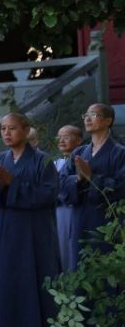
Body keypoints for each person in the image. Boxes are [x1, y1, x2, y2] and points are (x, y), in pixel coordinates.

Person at [0, 112, 65, 327]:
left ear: (26, 131)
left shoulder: (42, 161)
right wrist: (0, 185)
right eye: (3, 129)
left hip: (34, 231)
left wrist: (12, 185)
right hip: (5, 229)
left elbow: (48, 194)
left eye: (12, 128)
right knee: (8, 281)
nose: (6, 133)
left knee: (37, 279)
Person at [59, 103, 124, 260]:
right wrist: (78, 179)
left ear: (108, 121)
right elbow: (61, 183)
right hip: (80, 218)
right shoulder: (79, 152)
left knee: (107, 269)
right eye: (86, 115)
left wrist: (92, 177)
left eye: (94, 115)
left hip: (107, 221)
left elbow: (121, 186)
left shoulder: (120, 152)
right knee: (79, 265)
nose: (87, 118)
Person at [52, 124, 84, 271]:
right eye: (59, 137)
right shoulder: (55, 163)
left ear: (78, 140)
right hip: (57, 211)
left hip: (75, 209)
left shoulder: (82, 161)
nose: (61, 141)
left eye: (66, 137)